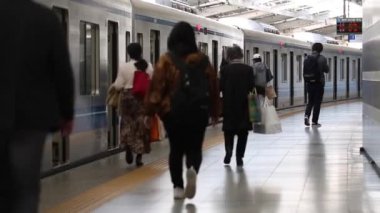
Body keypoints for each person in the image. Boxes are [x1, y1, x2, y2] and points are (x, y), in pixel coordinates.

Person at [0, 1, 74, 212]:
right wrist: (66, 113)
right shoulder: (45, 18)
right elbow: (62, 71)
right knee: (26, 189)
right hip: (31, 122)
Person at [145, 22, 219, 200]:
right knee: (195, 147)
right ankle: (192, 169)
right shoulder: (202, 60)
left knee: (176, 149)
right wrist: (215, 111)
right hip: (198, 112)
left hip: (173, 113)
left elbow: (156, 88)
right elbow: (213, 86)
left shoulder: (166, 60)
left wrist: (149, 112)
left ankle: (178, 187)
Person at [113, 43, 153, 167]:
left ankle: (128, 148)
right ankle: (139, 157)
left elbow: (118, 85)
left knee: (127, 123)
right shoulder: (148, 66)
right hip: (143, 99)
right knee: (141, 125)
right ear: (141, 52)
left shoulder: (124, 67)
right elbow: (152, 81)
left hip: (128, 99)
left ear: (129, 53)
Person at [220, 45, 255, 167]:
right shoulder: (248, 70)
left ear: (229, 56)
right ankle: (239, 157)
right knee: (243, 133)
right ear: (241, 55)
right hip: (244, 107)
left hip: (229, 106)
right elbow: (252, 87)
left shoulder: (225, 70)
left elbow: (220, 87)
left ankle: (228, 152)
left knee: (228, 131)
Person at [304, 43, 329, 127]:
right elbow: (326, 70)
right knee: (317, 102)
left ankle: (306, 116)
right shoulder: (322, 58)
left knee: (310, 101)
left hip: (309, 83)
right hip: (319, 83)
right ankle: (314, 121)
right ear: (321, 50)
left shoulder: (306, 58)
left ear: (313, 49)